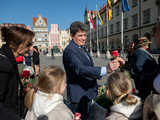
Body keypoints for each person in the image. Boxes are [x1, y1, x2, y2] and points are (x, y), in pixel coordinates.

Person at [63, 21, 125, 120]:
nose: (83, 38)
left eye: (84, 35)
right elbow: (81, 69)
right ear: (71, 35)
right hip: (79, 96)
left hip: (89, 92)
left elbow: (89, 67)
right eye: (80, 36)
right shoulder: (70, 51)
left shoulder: (81, 47)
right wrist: (106, 69)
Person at [0, 26, 35, 119]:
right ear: (13, 44)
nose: (31, 48)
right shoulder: (4, 65)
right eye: (28, 44)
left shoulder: (10, 60)